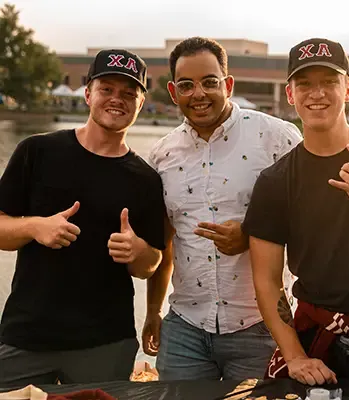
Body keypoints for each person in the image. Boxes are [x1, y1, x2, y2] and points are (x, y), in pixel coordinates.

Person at [242, 38, 349, 397]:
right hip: (321, 342)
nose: (318, 93)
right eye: (305, 84)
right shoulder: (275, 181)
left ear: (347, 87)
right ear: (290, 94)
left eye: (329, 81)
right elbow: (267, 281)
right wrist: (294, 356)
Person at [0, 49, 165, 386]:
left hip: (105, 344)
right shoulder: (37, 151)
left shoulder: (147, 179)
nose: (117, 99)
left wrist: (138, 251)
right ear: (88, 93)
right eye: (107, 89)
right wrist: (34, 226)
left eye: (129, 93)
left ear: (141, 103)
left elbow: (151, 263)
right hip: (26, 336)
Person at [142, 36, 302, 381]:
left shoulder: (278, 139)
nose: (198, 93)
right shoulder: (161, 156)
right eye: (186, 85)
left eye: (210, 82)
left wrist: (252, 235)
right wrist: (153, 311)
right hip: (185, 329)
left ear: (227, 84)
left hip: (262, 327)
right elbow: (166, 242)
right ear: (173, 93)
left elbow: (313, 221)